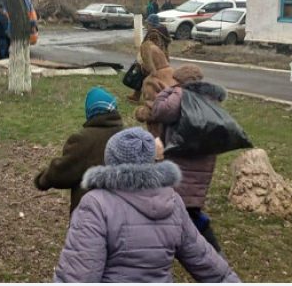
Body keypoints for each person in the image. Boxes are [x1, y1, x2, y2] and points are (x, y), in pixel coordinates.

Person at [53, 127, 240, 283]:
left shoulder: (95, 205)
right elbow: (206, 262)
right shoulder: (172, 202)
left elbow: (77, 276)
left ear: (110, 159)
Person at [150, 64, 225, 253]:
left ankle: (213, 253)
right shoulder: (211, 101)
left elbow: (159, 111)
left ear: (180, 82)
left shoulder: (181, 96)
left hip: (182, 162)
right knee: (188, 205)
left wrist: (167, 91)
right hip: (204, 163)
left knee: (184, 208)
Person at [33, 87, 124, 214]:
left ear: (90, 111)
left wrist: (42, 180)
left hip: (90, 214)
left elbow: (62, 171)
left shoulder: (84, 139)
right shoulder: (127, 136)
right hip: (121, 211)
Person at [134, 40, 172, 160]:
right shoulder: (174, 73)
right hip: (175, 130)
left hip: (159, 132)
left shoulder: (151, 81)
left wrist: (140, 113)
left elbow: (153, 111)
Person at [127, 14, 171, 103]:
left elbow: (153, 48)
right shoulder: (161, 31)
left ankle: (156, 98)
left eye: (148, 23)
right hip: (162, 59)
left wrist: (146, 61)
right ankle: (136, 95)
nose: (146, 25)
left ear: (151, 24)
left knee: (150, 78)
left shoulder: (154, 34)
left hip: (155, 60)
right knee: (143, 77)